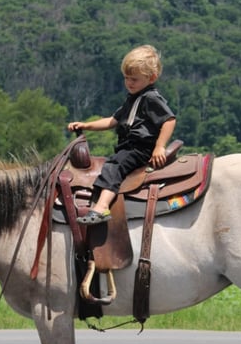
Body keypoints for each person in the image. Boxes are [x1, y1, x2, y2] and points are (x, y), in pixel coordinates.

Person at [67, 44, 177, 225]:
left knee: (114, 166)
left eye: (134, 79)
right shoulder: (132, 98)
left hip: (140, 148)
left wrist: (159, 147)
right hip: (128, 146)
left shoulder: (151, 98)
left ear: (152, 78)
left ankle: (102, 207)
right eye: (126, 78)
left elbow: (169, 120)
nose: (129, 83)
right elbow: (113, 120)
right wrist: (86, 125)